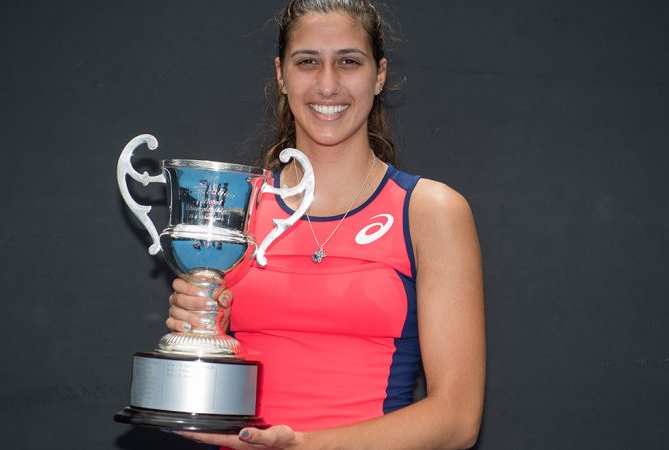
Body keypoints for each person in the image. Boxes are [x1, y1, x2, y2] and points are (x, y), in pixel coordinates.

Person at [166, 0, 485, 448]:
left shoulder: (429, 211)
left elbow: (456, 420)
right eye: (308, 62)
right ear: (281, 75)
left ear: (380, 75)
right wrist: (202, 323)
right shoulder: (236, 207)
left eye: (349, 62)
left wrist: (302, 445)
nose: (328, 85)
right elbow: (199, 393)